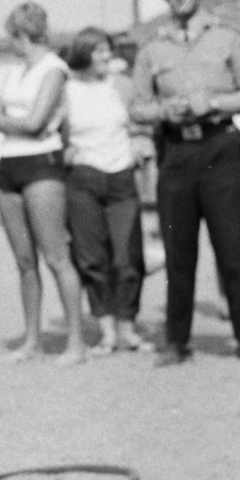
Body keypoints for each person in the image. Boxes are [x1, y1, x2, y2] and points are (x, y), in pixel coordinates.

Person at [128, 0, 240, 364]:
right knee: (178, 250)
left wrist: (217, 103)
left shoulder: (228, 38)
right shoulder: (151, 47)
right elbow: (137, 106)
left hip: (219, 146)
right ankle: (176, 340)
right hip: (176, 151)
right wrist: (163, 111)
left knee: (232, 246)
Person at [0, 1, 86, 363]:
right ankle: (32, 339)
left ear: (21, 34)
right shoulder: (15, 71)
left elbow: (35, 122)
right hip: (8, 165)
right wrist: (14, 122)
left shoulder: (54, 68)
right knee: (24, 260)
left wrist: (6, 122)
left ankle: (76, 342)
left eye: (11, 36)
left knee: (56, 256)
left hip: (41, 165)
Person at [61, 27, 147, 352]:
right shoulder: (65, 90)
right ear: (83, 53)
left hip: (121, 176)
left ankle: (128, 327)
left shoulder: (120, 86)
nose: (106, 56)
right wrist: (64, 152)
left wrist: (142, 142)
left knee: (128, 257)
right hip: (84, 176)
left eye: (107, 50)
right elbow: (55, 128)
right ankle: (107, 330)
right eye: (98, 50)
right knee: (92, 258)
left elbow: (140, 122)